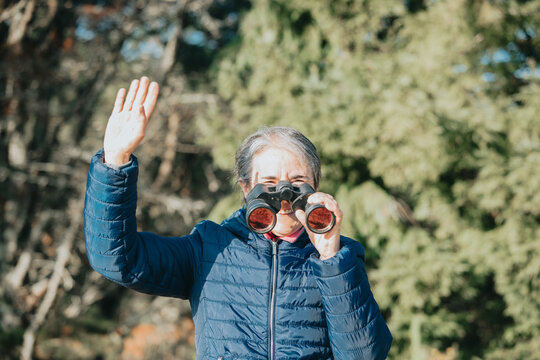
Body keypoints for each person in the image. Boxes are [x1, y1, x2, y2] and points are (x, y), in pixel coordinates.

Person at [84, 76, 393, 359]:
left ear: (316, 186)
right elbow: (117, 259)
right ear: (246, 188)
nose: (284, 197)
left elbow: (364, 355)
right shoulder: (208, 249)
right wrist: (115, 162)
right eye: (269, 184)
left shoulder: (340, 259)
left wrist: (331, 257)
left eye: (297, 182)